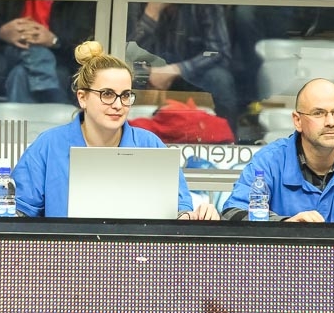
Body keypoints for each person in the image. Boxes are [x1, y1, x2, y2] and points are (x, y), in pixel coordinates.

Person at [12, 40, 219, 220]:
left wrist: (192, 216)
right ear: (82, 98)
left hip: (138, 252)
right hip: (67, 252)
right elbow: (19, 214)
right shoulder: (49, 145)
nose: (118, 105)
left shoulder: (150, 144)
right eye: (108, 94)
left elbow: (179, 209)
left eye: (126, 95)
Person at [221, 78, 334, 223]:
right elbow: (232, 214)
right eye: (318, 113)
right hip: (285, 255)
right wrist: (285, 225)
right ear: (297, 121)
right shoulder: (269, 160)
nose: (331, 122)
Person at [128, 0, 238, 132]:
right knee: (120, 76)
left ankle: (227, 140)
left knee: (220, 79)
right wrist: (152, 11)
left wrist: (177, 70)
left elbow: (217, 50)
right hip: (145, 73)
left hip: (192, 75)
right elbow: (125, 52)